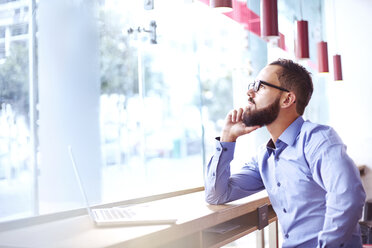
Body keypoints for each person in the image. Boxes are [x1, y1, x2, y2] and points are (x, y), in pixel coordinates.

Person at [204, 59, 366, 248]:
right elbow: (216, 195)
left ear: (287, 99)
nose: (249, 93)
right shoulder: (265, 156)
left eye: (259, 87)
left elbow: (349, 196)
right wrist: (227, 138)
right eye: (251, 86)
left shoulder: (318, 140)